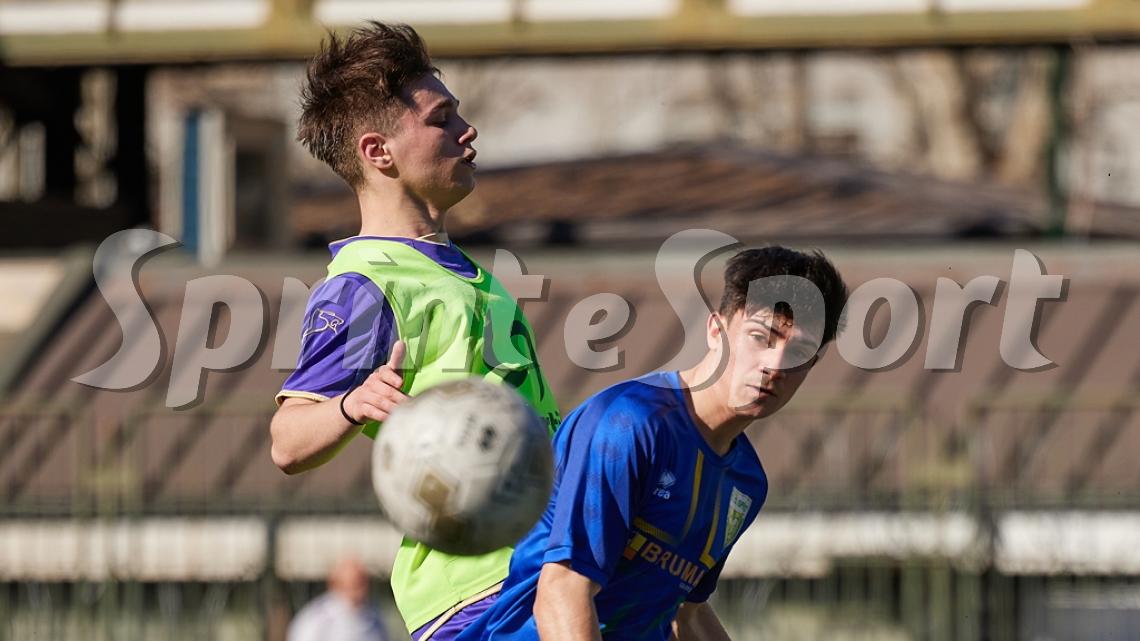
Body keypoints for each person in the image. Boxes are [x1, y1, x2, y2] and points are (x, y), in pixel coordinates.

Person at [269, 21, 560, 641]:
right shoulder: (366, 284)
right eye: (442, 119)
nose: (467, 130)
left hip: (539, 563)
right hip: (480, 589)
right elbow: (287, 442)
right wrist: (350, 404)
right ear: (379, 152)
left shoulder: (470, 273)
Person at [454, 246, 849, 641]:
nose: (775, 366)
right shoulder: (628, 425)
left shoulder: (746, 481)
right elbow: (563, 593)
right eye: (761, 337)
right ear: (716, 331)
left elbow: (686, 616)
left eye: (799, 352)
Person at [287, 558, 389, 641]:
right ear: (335, 584)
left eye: (363, 583)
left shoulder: (374, 618)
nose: (361, 591)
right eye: (354, 584)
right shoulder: (315, 620)